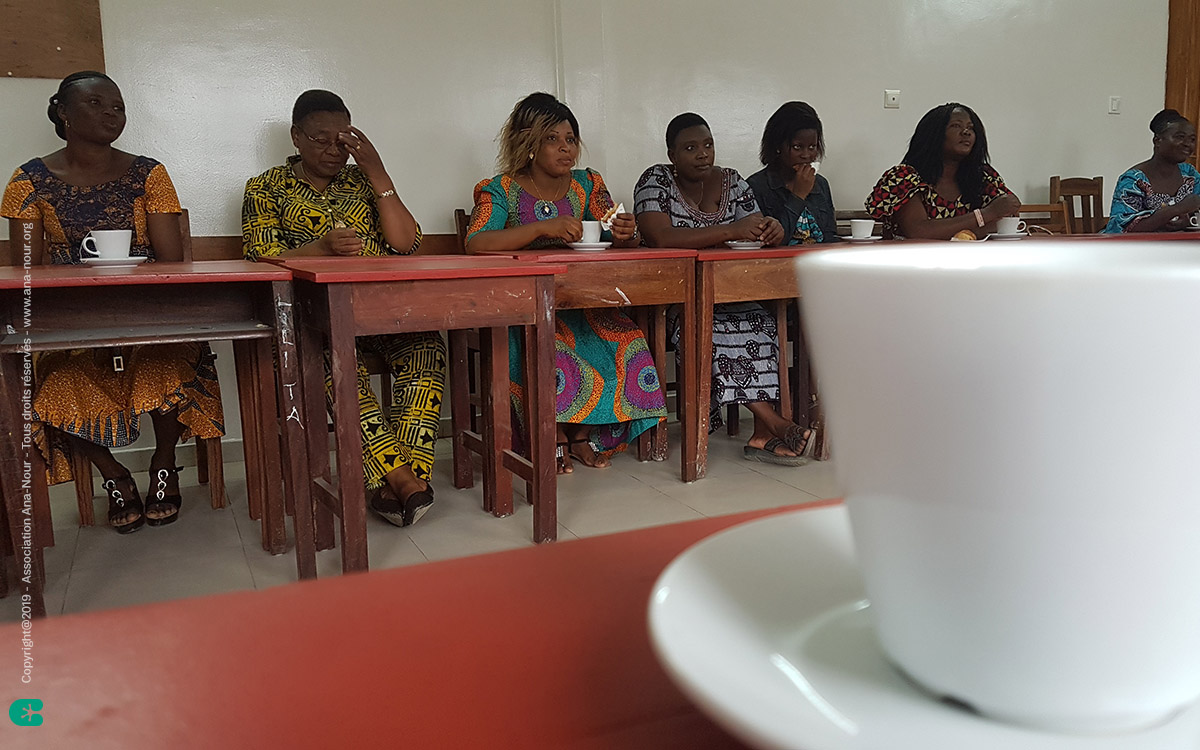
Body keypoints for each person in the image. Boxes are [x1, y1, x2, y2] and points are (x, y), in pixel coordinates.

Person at [1, 71, 225, 533]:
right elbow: (27, 267)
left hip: (147, 311)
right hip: (70, 320)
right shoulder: (29, 180)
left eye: (118, 106)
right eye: (97, 104)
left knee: (169, 362)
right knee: (51, 382)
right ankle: (114, 475)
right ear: (63, 112)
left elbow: (170, 261)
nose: (111, 114)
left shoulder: (149, 173)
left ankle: (164, 461)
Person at [242, 90, 442, 526]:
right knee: (334, 363)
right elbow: (261, 254)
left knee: (427, 347)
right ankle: (406, 481)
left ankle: (390, 482)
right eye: (319, 139)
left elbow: (406, 244)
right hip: (316, 323)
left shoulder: (362, 181)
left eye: (343, 140)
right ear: (296, 137)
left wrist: (377, 171)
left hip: (382, 313)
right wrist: (320, 248)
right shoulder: (265, 187)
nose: (333, 150)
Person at [465, 92, 667, 473]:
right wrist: (541, 227)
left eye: (570, 139)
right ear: (528, 142)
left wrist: (625, 232)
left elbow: (613, 229)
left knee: (628, 340)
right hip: (524, 312)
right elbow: (476, 242)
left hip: (582, 304)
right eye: (552, 139)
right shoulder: (501, 189)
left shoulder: (587, 185)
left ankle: (581, 436)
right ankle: (552, 435)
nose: (565, 149)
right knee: (551, 350)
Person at [634, 113, 813, 465]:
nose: (702, 154)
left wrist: (770, 229)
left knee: (762, 326)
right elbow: (662, 237)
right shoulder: (655, 180)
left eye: (708, 145)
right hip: (679, 303)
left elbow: (755, 226)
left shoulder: (733, 181)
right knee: (714, 332)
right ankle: (777, 424)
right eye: (690, 148)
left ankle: (763, 433)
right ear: (672, 155)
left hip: (733, 296)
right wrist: (731, 231)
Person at [866, 103, 1021, 239]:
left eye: (971, 128)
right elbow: (918, 231)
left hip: (971, 263)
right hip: (910, 265)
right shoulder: (905, 177)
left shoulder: (983, 176)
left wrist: (965, 232)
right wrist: (985, 215)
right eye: (956, 126)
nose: (966, 132)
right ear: (934, 135)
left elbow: (1008, 216)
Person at [746, 101, 838, 244]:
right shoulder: (756, 186)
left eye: (812, 146)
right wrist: (798, 195)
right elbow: (771, 242)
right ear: (778, 146)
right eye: (797, 147)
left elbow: (830, 236)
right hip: (778, 264)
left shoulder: (820, 184)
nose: (806, 155)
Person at [1104, 109, 1200, 233]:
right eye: (1180, 137)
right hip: (1138, 249)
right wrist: (1176, 209)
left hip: (1181, 247)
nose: (1188, 144)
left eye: (1192, 139)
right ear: (1157, 140)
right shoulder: (1134, 180)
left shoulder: (1190, 174)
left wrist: (1188, 222)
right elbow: (1124, 228)